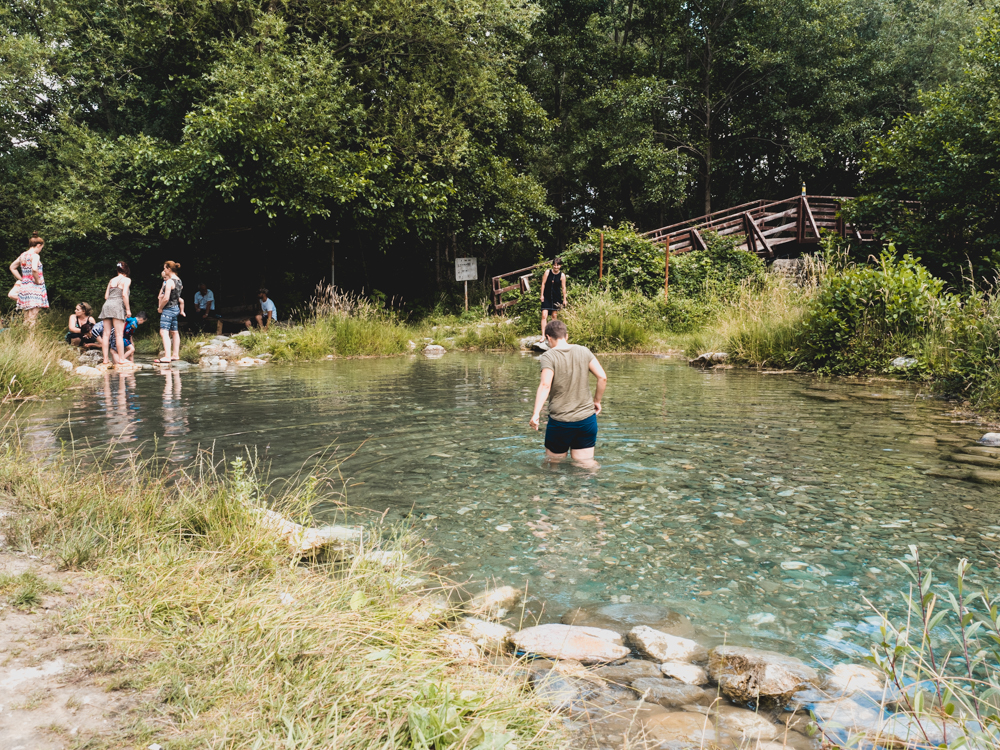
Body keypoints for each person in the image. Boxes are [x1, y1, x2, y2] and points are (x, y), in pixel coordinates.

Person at [529, 320, 607, 466]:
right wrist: (597, 401)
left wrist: (536, 413)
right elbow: (602, 377)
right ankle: (592, 487)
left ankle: (557, 488)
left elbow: (545, 385)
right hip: (587, 420)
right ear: (567, 336)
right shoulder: (584, 351)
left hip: (561, 422)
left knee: (553, 465)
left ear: (548, 337)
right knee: (586, 465)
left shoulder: (549, 356)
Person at [8, 233, 49, 327]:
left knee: (26, 318)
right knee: (32, 318)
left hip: (25, 288)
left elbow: (12, 267)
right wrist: (37, 280)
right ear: (38, 245)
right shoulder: (35, 256)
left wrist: (22, 279)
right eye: (41, 247)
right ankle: (31, 339)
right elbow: (34, 269)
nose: (41, 250)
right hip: (34, 288)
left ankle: (25, 339)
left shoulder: (23, 255)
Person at [99, 262, 132, 368]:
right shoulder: (127, 280)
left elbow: (106, 296)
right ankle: (122, 359)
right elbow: (124, 294)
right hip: (117, 306)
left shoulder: (111, 280)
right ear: (126, 270)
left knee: (105, 334)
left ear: (117, 270)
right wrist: (128, 309)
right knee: (118, 334)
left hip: (107, 305)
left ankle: (105, 359)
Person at [155, 261, 183, 364]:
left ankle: (167, 356)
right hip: (176, 308)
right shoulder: (179, 280)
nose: (164, 270)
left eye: (165, 268)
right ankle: (175, 354)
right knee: (175, 332)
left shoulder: (170, 281)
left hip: (168, 309)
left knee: (164, 332)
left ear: (169, 269)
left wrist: (160, 308)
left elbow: (166, 298)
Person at [539, 257, 566, 339]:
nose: (556, 267)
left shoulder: (562, 275)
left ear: (560, 266)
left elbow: (563, 288)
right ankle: (543, 335)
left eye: (557, 265)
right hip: (546, 296)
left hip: (556, 297)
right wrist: (541, 295)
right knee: (544, 315)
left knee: (554, 316)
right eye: (554, 265)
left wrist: (564, 299)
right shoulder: (547, 272)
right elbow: (543, 284)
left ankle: (552, 336)